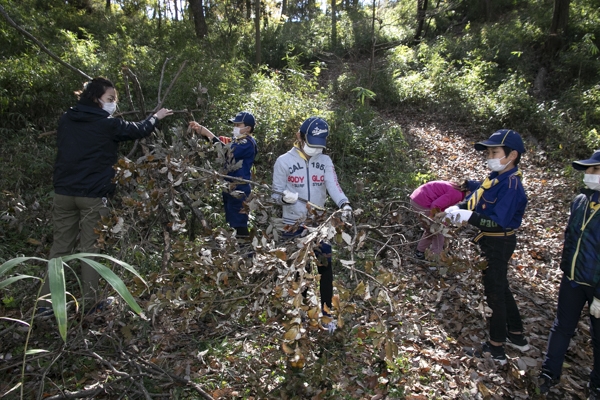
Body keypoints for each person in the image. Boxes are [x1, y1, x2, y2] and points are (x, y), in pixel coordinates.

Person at [41, 77, 173, 311]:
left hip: (63, 193)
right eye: (110, 99)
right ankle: (91, 303)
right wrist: (156, 117)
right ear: (95, 98)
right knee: (89, 249)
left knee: (60, 247)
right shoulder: (107, 124)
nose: (113, 104)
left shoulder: (66, 119)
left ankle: (45, 303)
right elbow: (138, 130)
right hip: (92, 195)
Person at [444, 129, 529, 364]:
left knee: (494, 292)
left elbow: (497, 221)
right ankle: (516, 335)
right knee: (501, 287)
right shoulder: (495, 178)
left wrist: (468, 216)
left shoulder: (511, 186)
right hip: (491, 241)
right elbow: (479, 194)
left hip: (498, 242)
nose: (490, 156)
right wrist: (461, 205)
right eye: (488, 152)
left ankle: (496, 348)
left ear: (511, 155)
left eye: (495, 151)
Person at [271, 116, 352, 333]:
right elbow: (275, 195)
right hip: (293, 225)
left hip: (318, 224)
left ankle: (326, 314)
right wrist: (283, 198)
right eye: (311, 143)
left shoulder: (324, 161)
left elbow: (333, 185)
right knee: (300, 271)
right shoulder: (284, 161)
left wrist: (344, 204)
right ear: (300, 136)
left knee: (325, 268)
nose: (315, 149)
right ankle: (302, 312)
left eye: (319, 145)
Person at [538, 149, 600, 397]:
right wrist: (566, 268)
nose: (589, 174)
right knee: (562, 327)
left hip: (597, 286)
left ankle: (596, 384)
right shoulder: (581, 201)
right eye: (588, 169)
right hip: (573, 279)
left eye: (595, 169)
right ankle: (548, 373)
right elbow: (571, 238)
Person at [188, 111, 257, 242]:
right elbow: (219, 144)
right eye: (235, 124)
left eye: (238, 124)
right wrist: (202, 132)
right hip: (229, 187)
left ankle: (247, 255)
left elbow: (226, 151)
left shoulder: (248, 143)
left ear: (248, 128)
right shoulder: (236, 141)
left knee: (240, 225)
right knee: (234, 224)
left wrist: (207, 132)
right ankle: (239, 254)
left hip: (239, 189)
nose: (235, 127)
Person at [409, 180, 468, 259]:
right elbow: (436, 205)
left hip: (417, 197)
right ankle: (435, 260)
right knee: (438, 232)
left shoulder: (457, 190)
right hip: (422, 202)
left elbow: (444, 207)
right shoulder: (457, 194)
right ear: (469, 192)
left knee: (431, 229)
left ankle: (420, 252)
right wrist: (435, 220)